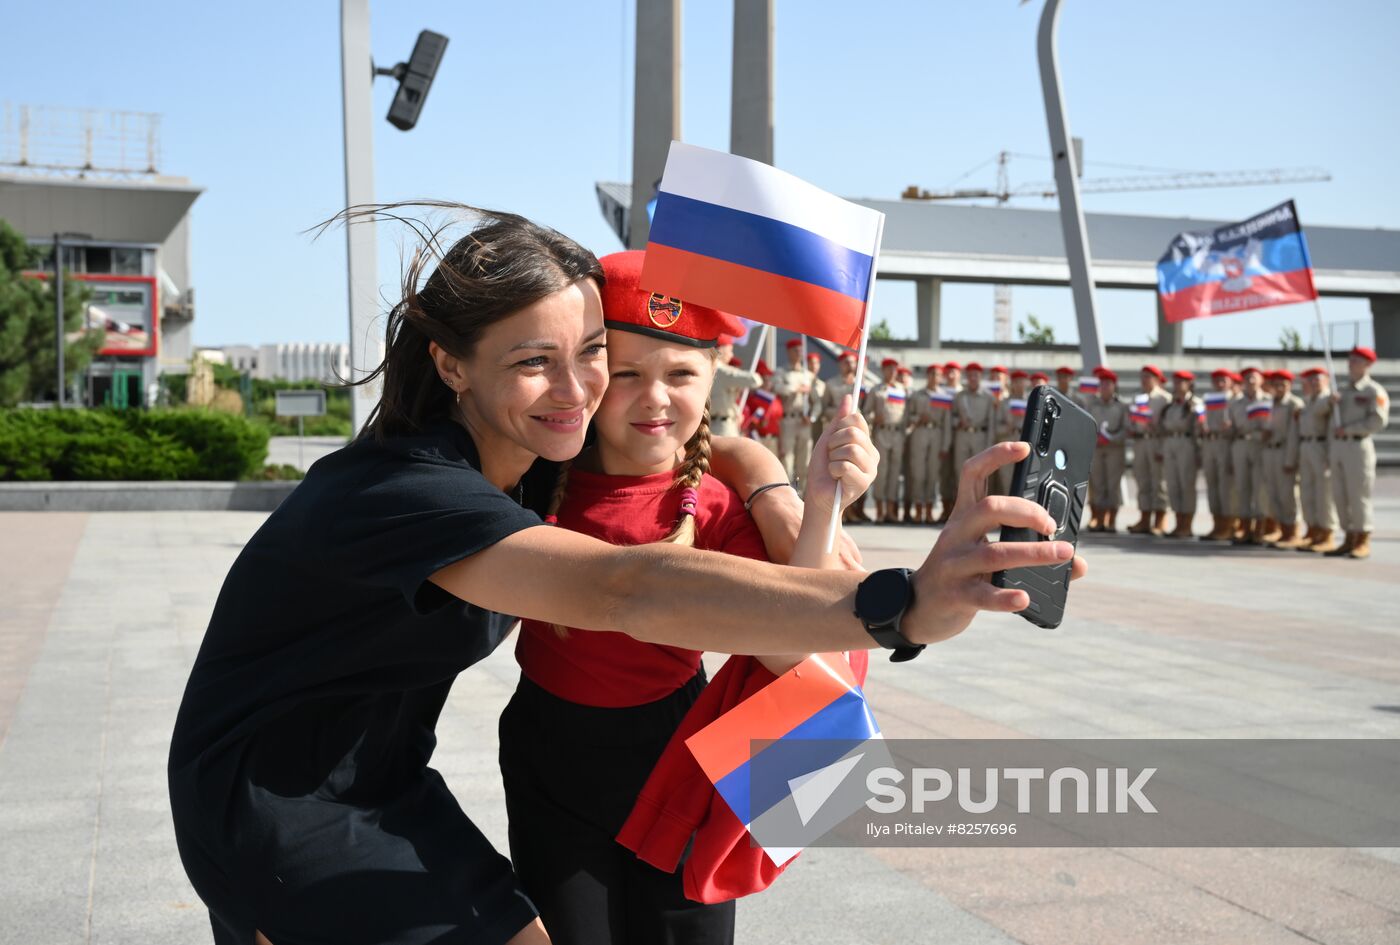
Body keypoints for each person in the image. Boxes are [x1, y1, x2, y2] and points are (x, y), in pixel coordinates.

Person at [167, 205, 1086, 945]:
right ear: (450, 364)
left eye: (588, 354)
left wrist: (767, 478)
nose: (578, 390)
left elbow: (688, 477)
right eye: (534, 361)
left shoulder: (525, 457)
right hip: (274, 798)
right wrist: (906, 602)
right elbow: (627, 587)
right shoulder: (412, 489)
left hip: (390, 780)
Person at [501, 251, 878, 945]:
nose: (655, 398)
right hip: (549, 762)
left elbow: (790, 650)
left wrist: (818, 500)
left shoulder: (713, 503)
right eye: (626, 374)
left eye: (681, 373)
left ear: (712, 378)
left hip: (676, 759)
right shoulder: (530, 474)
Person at [1326, 346, 1391, 559]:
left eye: (1356, 360)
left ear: (1367, 364)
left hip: (1358, 445)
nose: (1351, 363)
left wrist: (1350, 429)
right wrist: (1331, 403)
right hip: (1339, 446)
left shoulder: (1373, 391)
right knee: (1340, 493)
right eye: (1350, 359)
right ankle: (1348, 536)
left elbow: (1377, 420)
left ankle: (1363, 539)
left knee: (1358, 494)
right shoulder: (1342, 391)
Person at [1294, 367, 1340, 553]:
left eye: (1318, 380)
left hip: (1321, 447)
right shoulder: (1307, 402)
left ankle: (1327, 532)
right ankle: (1313, 530)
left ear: (1327, 381)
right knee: (1307, 492)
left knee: (1324, 494)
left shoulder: (1328, 399)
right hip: (1306, 446)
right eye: (1310, 380)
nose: (1314, 383)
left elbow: (1328, 418)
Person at [1228, 367, 1270, 545]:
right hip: (1240, 444)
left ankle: (1260, 527)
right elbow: (1232, 427)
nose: (1250, 381)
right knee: (1242, 487)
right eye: (1246, 378)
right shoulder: (1236, 403)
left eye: (1254, 377)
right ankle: (1244, 526)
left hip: (1260, 446)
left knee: (1260, 487)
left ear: (1261, 380)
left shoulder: (1268, 401)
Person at [1261, 370, 1303, 547]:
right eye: (1275, 384)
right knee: (1274, 493)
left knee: (1287, 495)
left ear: (1289, 386)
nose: (1279, 388)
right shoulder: (1269, 403)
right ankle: (1280, 530)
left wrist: (1290, 459)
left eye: (1283, 384)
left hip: (1284, 451)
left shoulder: (1294, 404)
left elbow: (1294, 435)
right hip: (1269, 451)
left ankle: (1292, 532)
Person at [1127, 365, 1171, 536]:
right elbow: (1132, 417)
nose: (1144, 380)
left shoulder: (1165, 399)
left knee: (1159, 482)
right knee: (1142, 480)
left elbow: (1167, 425)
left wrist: (1156, 427)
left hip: (1156, 441)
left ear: (1157, 379)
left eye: (1148, 376)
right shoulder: (1139, 397)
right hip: (1140, 441)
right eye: (1142, 376)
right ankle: (1144, 518)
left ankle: (1160, 519)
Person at [864, 358, 909, 523]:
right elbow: (866, 412)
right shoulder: (876, 390)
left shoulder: (902, 390)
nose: (892, 372)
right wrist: (875, 417)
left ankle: (891, 511)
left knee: (894, 474)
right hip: (881, 433)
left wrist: (905, 437)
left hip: (897, 434)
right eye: (888, 369)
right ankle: (880, 512)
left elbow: (906, 416)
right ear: (883, 371)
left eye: (894, 369)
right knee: (881, 473)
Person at [1159, 370, 1203, 538]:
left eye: (1182, 382)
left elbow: (1198, 429)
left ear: (1189, 384)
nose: (1177, 385)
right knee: (1173, 484)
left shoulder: (1196, 404)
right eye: (1176, 382)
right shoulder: (1171, 405)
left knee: (1186, 484)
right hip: (1171, 443)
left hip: (1187, 443)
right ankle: (1178, 523)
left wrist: (1199, 452)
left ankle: (1187, 525)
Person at [1086, 368, 1128, 532]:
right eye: (1102, 384)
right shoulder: (1093, 404)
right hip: (1096, 448)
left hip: (1114, 449)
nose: (1104, 387)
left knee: (1113, 485)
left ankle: (1112, 520)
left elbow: (1126, 428)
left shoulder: (1121, 405)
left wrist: (1112, 438)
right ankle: (1098, 518)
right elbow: (1087, 425)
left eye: (1108, 384)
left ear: (1114, 386)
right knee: (1097, 484)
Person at [1197, 369, 1237, 542]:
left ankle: (1229, 525)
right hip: (1210, 443)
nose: (1219, 384)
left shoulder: (1235, 400)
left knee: (1226, 488)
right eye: (1216, 380)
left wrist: (1231, 426)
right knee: (1212, 486)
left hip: (1225, 443)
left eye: (1223, 380)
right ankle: (1217, 524)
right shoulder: (1210, 400)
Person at [907, 364, 950, 524]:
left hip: (936, 434)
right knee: (918, 473)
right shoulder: (918, 395)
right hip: (920, 432)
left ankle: (929, 511)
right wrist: (918, 418)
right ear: (927, 376)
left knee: (932, 474)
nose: (934, 377)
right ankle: (918, 510)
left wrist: (945, 445)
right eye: (932, 374)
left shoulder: (944, 396)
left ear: (941, 378)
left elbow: (946, 423)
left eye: (938, 374)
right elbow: (908, 416)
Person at [774, 339, 818, 491]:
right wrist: (796, 388)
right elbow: (777, 387)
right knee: (787, 458)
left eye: (801, 350)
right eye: (795, 350)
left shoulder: (808, 375)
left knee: (804, 460)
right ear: (788, 352)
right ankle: (788, 492)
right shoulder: (781, 372)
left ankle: (802, 495)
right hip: (788, 420)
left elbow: (817, 402)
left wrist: (812, 416)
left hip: (804, 421)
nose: (799, 353)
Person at [953, 363, 996, 509]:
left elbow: (991, 422)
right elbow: (951, 417)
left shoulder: (988, 397)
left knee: (980, 473)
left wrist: (989, 445)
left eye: (975, 375)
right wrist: (958, 422)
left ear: (980, 377)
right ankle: (960, 509)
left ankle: (977, 509)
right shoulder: (959, 396)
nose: (972, 378)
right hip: (962, 436)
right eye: (970, 375)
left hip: (980, 436)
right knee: (961, 471)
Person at [708, 335, 759, 438]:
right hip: (723, 427)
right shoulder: (723, 371)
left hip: (710, 423)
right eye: (730, 350)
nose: (732, 355)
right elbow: (755, 380)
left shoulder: (707, 367)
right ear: (721, 349)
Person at [937, 361, 963, 524]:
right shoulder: (941, 392)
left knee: (959, 474)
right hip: (943, 436)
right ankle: (945, 509)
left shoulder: (963, 392)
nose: (951, 375)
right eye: (949, 372)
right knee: (944, 474)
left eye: (955, 372)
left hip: (962, 437)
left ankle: (956, 509)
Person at [741, 361, 783, 458]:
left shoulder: (775, 398)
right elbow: (748, 423)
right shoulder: (750, 398)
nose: (768, 381)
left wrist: (781, 444)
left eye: (769, 377)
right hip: (757, 439)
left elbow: (779, 422)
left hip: (773, 439)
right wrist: (758, 424)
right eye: (764, 378)